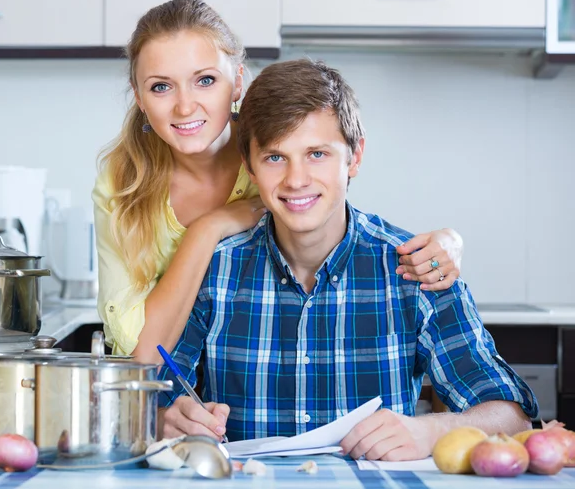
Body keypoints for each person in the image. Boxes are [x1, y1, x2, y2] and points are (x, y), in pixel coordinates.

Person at [158, 58, 538, 461]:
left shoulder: (416, 269)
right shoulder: (215, 271)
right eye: (274, 158)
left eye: (317, 154)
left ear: (354, 157)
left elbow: (513, 418)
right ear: (250, 167)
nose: (296, 179)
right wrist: (169, 416)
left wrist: (431, 430)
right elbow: (157, 398)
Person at [92, 0, 464, 364]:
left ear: (237, 82)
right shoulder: (122, 183)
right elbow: (139, 352)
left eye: (205, 80)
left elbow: (341, 222)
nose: (185, 106)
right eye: (161, 86)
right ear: (139, 95)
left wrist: (449, 240)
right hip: (170, 386)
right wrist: (208, 228)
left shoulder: (275, 154)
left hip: (259, 371)